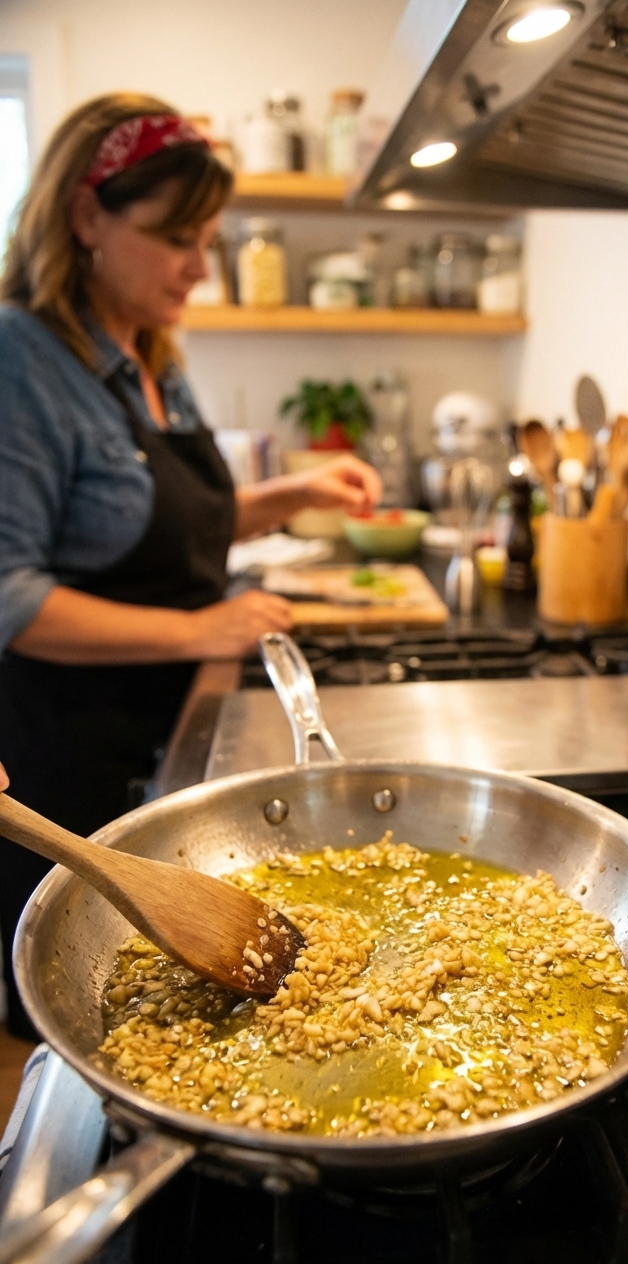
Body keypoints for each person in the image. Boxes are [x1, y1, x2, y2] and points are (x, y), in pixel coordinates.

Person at [0, 94, 382, 1038]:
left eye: (209, 239)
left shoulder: (152, 357)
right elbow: (9, 596)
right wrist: (203, 628)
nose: (200, 268)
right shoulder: (20, 356)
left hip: (163, 726)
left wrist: (286, 497)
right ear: (86, 217)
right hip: (69, 752)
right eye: (179, 238)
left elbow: (167, 529)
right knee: (81, 1008)